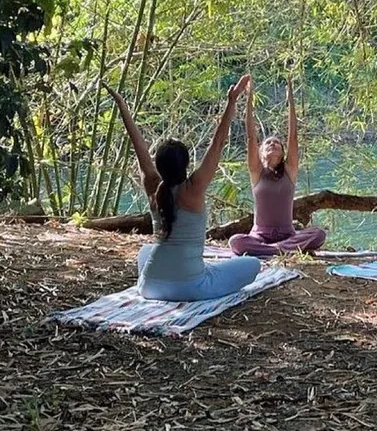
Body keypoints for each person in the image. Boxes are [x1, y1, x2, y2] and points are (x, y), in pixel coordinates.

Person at [104, 76, 260, 301]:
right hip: (191, 287)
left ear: (159, 166)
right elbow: (218, 143)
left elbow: (138, 149)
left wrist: (122, 106)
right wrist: (231, 101)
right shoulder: (194, 188)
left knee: (147, 251)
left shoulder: (153, 187)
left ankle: (166, 275)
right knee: (252, 264)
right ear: (186, 164)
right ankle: (183, 276)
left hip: (148, 287)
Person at [229, 77, 326, 256]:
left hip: (288, 234)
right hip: (259, 236)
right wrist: (249, 98)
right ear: (260, 152)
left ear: (283, 153)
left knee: (319, 234)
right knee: (235, 242)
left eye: (277, 143)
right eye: (268, 143)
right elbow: (251, 137)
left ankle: (276, 250)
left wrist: (291, 100)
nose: (273, 144)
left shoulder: (289, 171)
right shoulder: (256, 171)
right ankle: (280, 250)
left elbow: (293, 137)